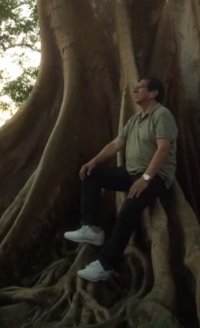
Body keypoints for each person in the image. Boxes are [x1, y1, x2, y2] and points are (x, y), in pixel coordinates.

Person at [63, 77, 178, 282]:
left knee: (128, 209)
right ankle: (93, 228)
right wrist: (93, 161)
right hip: (130, 172)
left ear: (153, 93)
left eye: (140, 87)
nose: (135, 89)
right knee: (92, 174)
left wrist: (145, 178)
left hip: (155, 177)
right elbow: (117, 143)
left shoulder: (162, 115)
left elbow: (163, 149)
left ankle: (106, 265)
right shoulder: (134, 120)